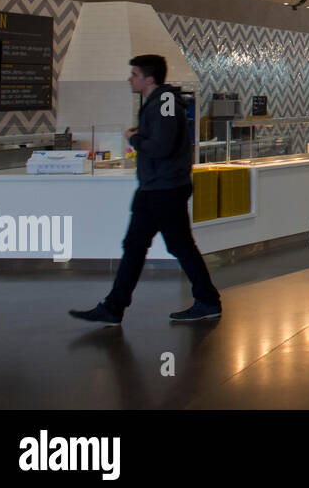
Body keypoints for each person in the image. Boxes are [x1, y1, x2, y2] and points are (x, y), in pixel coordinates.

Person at [70, 55, 222, 324]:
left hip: (164, 189)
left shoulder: (163, 102)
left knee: (175, 245)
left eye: (135, 74)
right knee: (138, 245)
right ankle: (115, 306)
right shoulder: (158, 102)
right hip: (156, 188)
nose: (131, 79)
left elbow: (162, 146)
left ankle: (207, 300)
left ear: (149, 78)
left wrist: (134, 137)